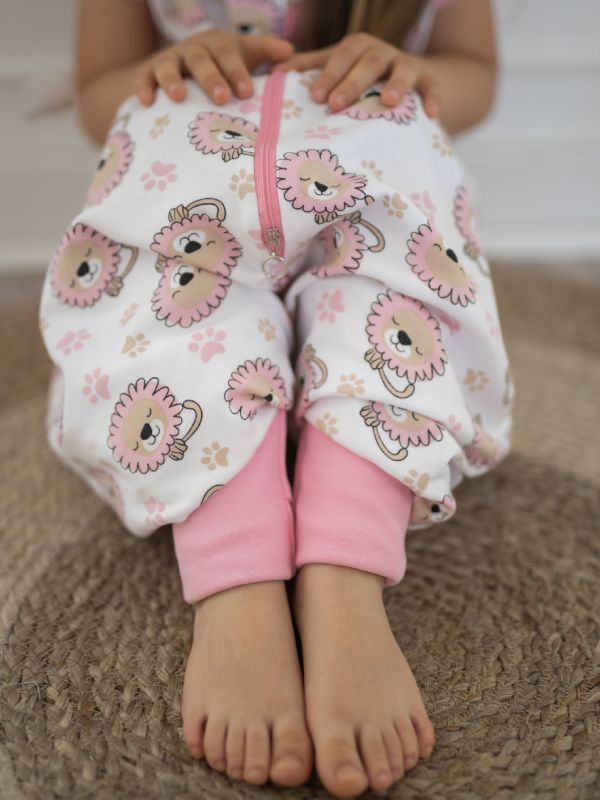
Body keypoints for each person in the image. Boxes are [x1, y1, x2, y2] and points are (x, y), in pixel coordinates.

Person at [39, 0, 511, 796]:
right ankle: (238, 584)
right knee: (172, 311)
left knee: (397, 310)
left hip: (372, 171)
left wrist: (417, 76)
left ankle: (343, 578)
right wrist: (161, 72)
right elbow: (98, 91)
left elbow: (478, 72)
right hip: (193, 182)